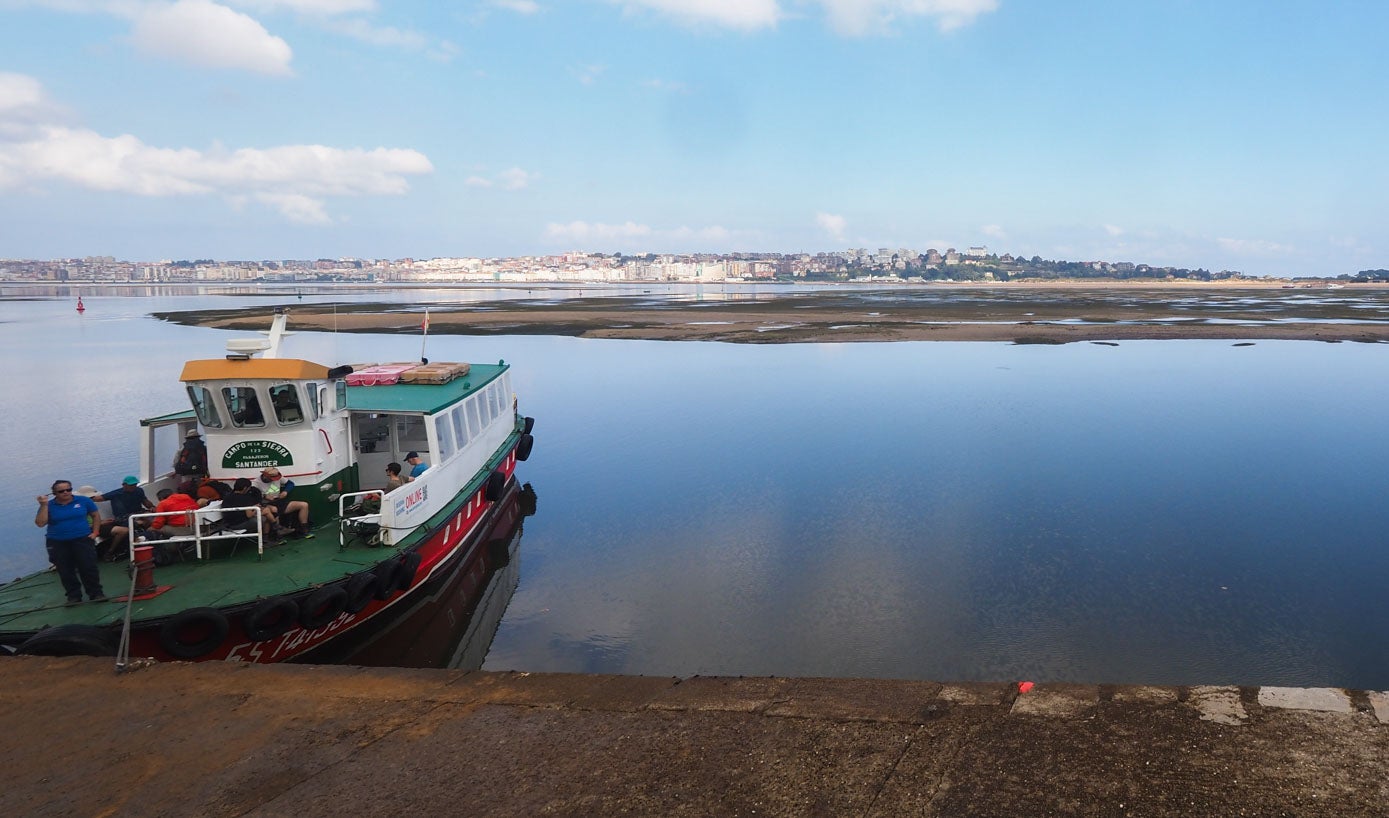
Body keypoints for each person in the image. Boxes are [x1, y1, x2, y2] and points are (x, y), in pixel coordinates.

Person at [35, 479, 106, 604]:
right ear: (54, 493)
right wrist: (43, 505)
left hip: (82, 539)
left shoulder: (84, 501)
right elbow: (40, 523)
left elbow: (95, 515)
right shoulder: (49, 505)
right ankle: (74, 596)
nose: (66, 492)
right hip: (57, 542)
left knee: (88, 567)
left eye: (68, 489)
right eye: (61, 491)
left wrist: (95, 533)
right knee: (65, 570)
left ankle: (96, 594)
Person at [92, 475, 155, 561]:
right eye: (131, 485)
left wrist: (152, 507)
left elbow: (146, 502)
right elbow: (98, 498)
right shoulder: (116, 493)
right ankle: (115, 551)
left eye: (135, 484)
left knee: (153, 520)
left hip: (138, 513)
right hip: (123, 517)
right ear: (124, 485)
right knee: (136, 523)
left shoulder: (139, 491)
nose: (133, 487)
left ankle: (151, 543)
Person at [259, 468, 313, 539]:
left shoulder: (278, 477)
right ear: (265, 476)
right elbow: (252, 496)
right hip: (266, 504)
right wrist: (264, 496)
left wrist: (286, 491)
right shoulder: (256, 483)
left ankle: (304, 530)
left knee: (304, 505)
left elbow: (290, 483)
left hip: (279, 501)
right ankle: (277, 533)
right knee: (274, 510)